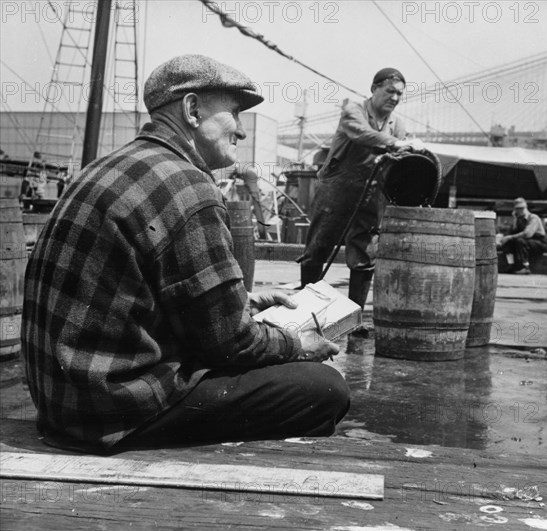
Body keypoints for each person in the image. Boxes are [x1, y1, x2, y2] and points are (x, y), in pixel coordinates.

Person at [22, 54, 348, 454]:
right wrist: (298, 345)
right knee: (324, 388)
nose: (242, 133)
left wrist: (242, 302)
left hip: (63, 407)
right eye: (234, 114)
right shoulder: (189, 187)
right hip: (116, 413)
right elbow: (230, 344)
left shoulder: (104, 167)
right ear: (192, 109)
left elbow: (132, 292)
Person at [297, 68, 425, 328]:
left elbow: (396, 159)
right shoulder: (353, 110)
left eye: (399, 93)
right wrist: (395, 144)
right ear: (374, 89)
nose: (395, 97)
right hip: (338, 186)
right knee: (318, 249)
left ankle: (354, 321)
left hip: (370, 192)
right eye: (389, 91)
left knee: (365, 255)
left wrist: (409, 149)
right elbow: (361, 133)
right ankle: (307, 315)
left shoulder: (397, 124)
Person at [499, 197, 547, 274]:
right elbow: (511, 232)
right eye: (518, 209)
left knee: (520, 241)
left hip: (539, 243)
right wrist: (514, 220)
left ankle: (525, 267)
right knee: (508, 243)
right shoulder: (518, 219)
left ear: (526, 207)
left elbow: (527, 234)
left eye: (522, 208)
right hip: (526, 243)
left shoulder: (533, 217)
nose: (520, 210)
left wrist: (509, 237)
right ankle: (511, 264)